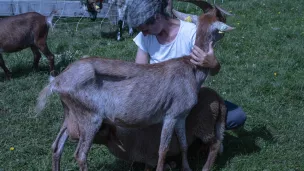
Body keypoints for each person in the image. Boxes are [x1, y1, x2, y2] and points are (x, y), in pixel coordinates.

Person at [126, 0, 246, 130]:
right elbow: (139, 72)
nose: (144, 33)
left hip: (190, 96)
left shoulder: (191, 33)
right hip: (159, 97)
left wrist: (213, 64)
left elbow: (209, 71)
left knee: (236, 116)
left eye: (146, 29)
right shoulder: (145, 37)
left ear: (157, 17)